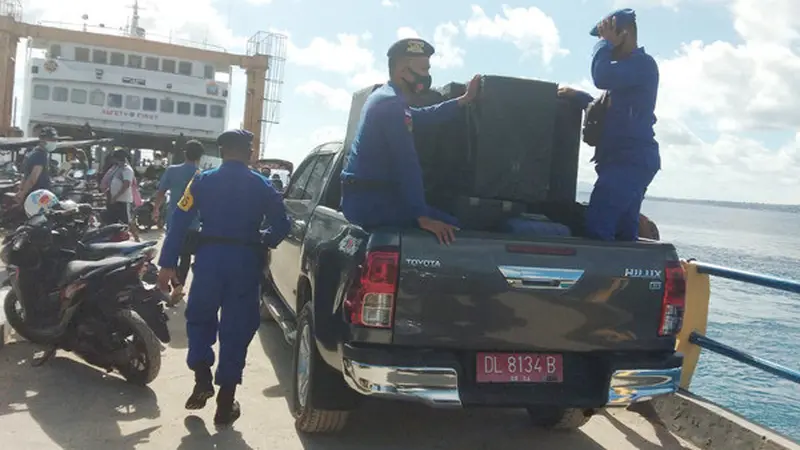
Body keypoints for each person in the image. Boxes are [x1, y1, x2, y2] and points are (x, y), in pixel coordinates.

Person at [156, 129, 290, 426]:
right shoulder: (264, 185)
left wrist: (167, 265)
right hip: (245, 261)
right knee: (237, 328)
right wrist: (264, 238)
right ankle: (225, 403)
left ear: (220, 151)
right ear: (250, 152)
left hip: (209, 260)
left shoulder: (202, 180)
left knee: (200, 317)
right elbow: (283, 224)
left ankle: (202, 375)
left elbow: (178, 221)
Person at [340, 38, 480, 245]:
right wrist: (422, 217)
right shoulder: (390, 103)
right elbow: (407, 163)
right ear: (403, 71)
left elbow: (424, 115)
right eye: (424, 68)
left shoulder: (386, 97)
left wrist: (463, 100)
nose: (427, 75)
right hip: (372, 202)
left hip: (369, 198)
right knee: (459, 227)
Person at [558, 9, 659, 241]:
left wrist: (602, 46)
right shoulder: (628, 75)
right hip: (624, 160)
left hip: (630, 160)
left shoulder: (643, 65)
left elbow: (601, 76)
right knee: (624, 231)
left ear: (624, 33)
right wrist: (578, 96)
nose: (605, 43)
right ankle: (625, 278)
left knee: (598, 225)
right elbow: (611, 110)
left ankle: (601, 278)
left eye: (607, 35)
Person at [153, 140, 205, 305]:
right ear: (200, 156)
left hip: (174, 220)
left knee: (170, 256)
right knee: (185, 256)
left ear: (184, 153)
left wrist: (155, 209)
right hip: (194, 222)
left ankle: (176, 285)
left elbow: (161, 192)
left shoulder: (172, 170)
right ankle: (178, 285)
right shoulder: (201, 174)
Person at [104, 149, 141, 240]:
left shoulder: (127, 169)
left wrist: (116, 196)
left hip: (123, 201)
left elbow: (126, 184)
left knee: (128, 221)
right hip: (115, 200)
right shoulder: (118, 169)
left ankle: (136, 238)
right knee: (113, 222)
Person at [15, 127, 56, 204]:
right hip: (39, 197)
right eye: (51, 139)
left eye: (55, 140)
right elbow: (33, 178)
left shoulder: (32, 153)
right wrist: (22, 193)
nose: (54, 142)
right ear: (42, 139)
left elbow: (26, 175)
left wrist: (21, 191)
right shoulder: (41, 155)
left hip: (31, 195)